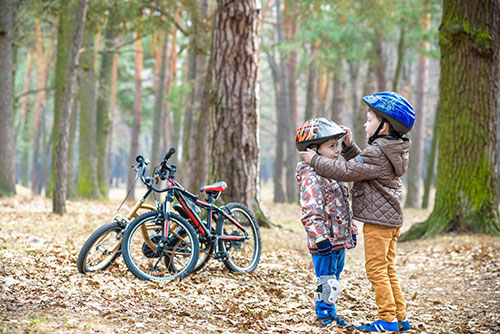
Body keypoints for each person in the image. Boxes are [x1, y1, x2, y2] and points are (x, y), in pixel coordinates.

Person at [299, 92, 415, 333]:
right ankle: (399, 317)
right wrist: (350, 146)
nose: (365, 124)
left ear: (384, 126)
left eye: (370, 119)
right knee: (388, 269)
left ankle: (387, 320)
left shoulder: (378, 151)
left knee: (376, 271)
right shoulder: (390, 149)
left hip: (378, 223)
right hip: (390, 221)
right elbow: (363, 166)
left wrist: (315, 160)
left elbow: (347, 171)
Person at [295, 118, 358, 328]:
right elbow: (311, 212)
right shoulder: (312, 177)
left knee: (334, 282)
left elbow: (341, 205)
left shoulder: (333, 173)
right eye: (331, 146)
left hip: (338, 240)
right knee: (327, 282)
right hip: (325, 243)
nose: (337, 150)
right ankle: (324, 316)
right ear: (313, 150)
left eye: (337, 145)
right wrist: (320, 238)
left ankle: (328, 312)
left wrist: (350, 228)